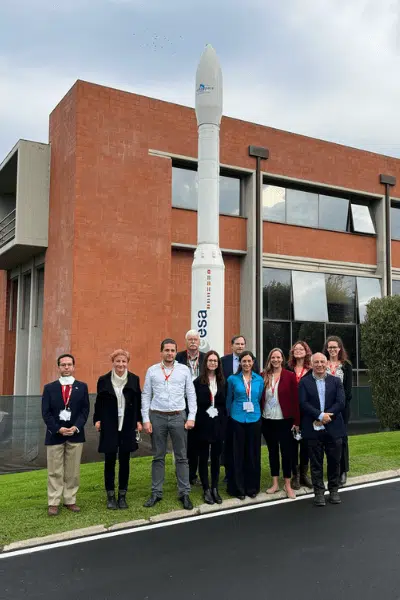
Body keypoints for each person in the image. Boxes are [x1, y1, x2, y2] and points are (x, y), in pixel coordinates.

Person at [142, 338, 197, 510]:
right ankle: (156, 492)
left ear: (176, 352)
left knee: (181, 456)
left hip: (178, 416)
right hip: (157, 416)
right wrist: (145, 419)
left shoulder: (184, 370)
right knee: (158, 456)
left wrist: (191, 416)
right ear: (161, 352)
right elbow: (145, 395)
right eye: (167, 350)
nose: (170, 353)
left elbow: (191, 393)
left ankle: (184, 493)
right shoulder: (152, 371)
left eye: (173, 350)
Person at [41, 354, 90, 516]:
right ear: (59, 367)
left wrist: (76, 427)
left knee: (73, 470)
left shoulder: (82, 387)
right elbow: (46, 413)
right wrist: (58, 429)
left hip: (75, 434)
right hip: (55, 435)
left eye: (69, 364)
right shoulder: (50, 388)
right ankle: (53, 501)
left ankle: (70, 499)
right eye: (63, 365)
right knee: (55, 470)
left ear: (74, 366)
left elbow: (85, 411)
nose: (66, 367)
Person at [93, 349, 142, 510]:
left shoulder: (134, 379)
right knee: (110, 461)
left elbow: (138, 402)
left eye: (123, 361)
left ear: (127, 363)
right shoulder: (104, 380)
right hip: (110, 424)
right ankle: (110, 496)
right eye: (118, 361)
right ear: (113, 362)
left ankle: (122, 495)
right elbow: (98, 402)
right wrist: (97, 419)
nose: (121, 364)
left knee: (125, 461)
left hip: (127, 425)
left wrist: (139, 421)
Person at [299, 353, 345, 507]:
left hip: (333, 428)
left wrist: (326, 417)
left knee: (334, 461)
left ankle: (334, 490)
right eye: (316, 362)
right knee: (316, 462)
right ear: (311, 364)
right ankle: (319, 492)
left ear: (327, 363)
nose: (319, 364)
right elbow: (303, 403)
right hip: (313, 428)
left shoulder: (336, 381)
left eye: (322, 362)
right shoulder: (305, 382)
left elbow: (340, 402)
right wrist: (319, 415)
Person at [261, 348, 299, 499]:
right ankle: (275, 483)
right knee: (272, 452)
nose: (275, 360)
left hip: (285, 420)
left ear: (282, 359)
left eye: (278, 357)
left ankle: (288, 485)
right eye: (273, 357)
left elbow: (295, 400)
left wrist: (297, 421)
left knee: (287, 453)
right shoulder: (264, 376)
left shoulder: (290, 376)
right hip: (268, 420)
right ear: (270, 359)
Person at [226, 351, 264, 500]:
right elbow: (229, 399)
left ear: (253, 362)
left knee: (253, 454)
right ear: (240, 363)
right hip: (237, 419)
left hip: (254, 419)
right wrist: (230, 417)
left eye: (249, 361)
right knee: (237, 454)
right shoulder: (232, 379)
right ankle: (238, 488)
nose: (247, 364)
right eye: (244, 361)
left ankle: (252, 487)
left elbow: (259, 397)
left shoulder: (259, 380)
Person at [193, 351, 227, 505]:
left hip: (218, 423)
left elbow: (223, 403)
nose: (213, 363)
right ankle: (206, 488)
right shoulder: (197, 382)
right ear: (205, 362)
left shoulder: (222, 382)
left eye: (215, 361)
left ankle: (214, 487)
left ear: (218, 364)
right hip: (203, 423)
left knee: (215, 457)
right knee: (203, 456)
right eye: (210, 360)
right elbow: (194, 404)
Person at [176, 329, 206, 485]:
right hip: (182, 403)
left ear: (199, 342)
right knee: (184, 441)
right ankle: (185, 474)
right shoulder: (178, 358)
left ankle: (195, 474)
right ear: (186, 342)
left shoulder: (207, 358)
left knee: (198, 440)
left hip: (201, 404)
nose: (193, 342)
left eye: (195, 339)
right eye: (190, 339)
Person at [323, 335, 353, 487]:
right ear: (326, 349)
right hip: (324, 409)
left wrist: (338, 407)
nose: (332, 349)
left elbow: (348, 392)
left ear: (340, 348)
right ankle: (331, 470)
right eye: (330, 347)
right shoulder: (322, 364)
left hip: (341, 409)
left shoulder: (346, 366)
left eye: (335, 347)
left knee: (342, 440)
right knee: (326, 439)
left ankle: (343, 470)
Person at [287, 341, 313, 490]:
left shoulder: (311, 369)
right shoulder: (287, 368)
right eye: (295, 349)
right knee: (291, 445)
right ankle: (295, 475)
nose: (298, 351)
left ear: (306, 351)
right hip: (290, 412)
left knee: (306, 445)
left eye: (301, 348)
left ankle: (304, 474)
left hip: (306, 413)